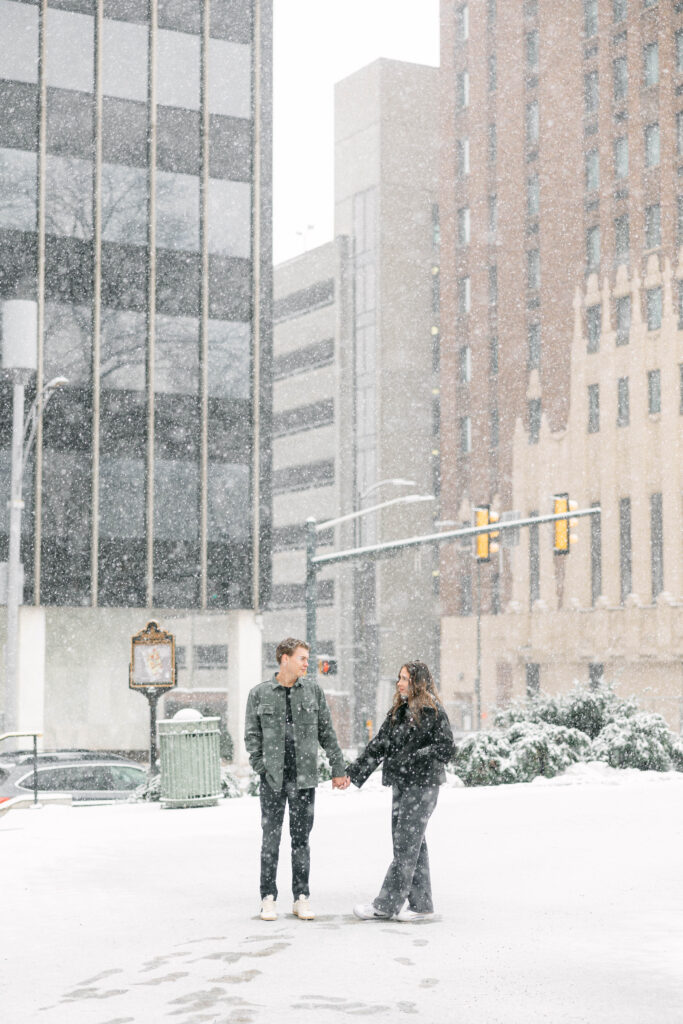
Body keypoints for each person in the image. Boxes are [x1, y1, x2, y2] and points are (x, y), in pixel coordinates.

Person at [244, 637, 350, 921]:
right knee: (271, 838)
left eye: (307, 658)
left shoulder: (313, 691)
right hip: (273, 779)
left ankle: (301, 897)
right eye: (302, 658)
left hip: (305, 779)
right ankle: (268, 898)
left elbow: (327, 732)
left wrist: (338, 768)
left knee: (301, 839)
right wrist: (261, 766)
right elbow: (252, 736)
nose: (307, 663)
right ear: (285, 659)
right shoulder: (259, 694)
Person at [347, 661, 455, 922]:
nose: (399, 682)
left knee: (406, 845)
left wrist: (415, 757)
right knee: (410, 844)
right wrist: (352, 773)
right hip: (403, 785)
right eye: (399, 678)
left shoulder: (432, 711)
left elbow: (446, 747)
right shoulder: (399, 711)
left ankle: (386, 905)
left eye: (405, 678)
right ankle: (422, 906)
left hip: (422, 786)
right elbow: (380, 745)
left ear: (417, 682)